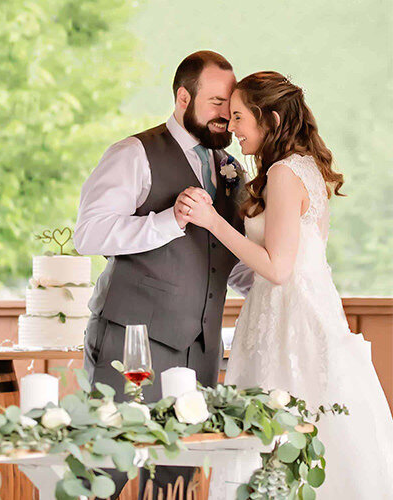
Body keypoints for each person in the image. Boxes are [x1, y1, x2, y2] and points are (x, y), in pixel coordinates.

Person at [178, 71, 393, 498]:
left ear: (270, 120)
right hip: (300, 309)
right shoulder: (302, 168)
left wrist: (211, 220)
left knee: (281, 432)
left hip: (290, 319)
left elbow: (278, 269)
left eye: (239, 117)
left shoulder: (283, 174)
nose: (232, 127)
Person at [74, 51, 253, 499]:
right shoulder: (133, 153)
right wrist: (168, 222)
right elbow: (89, 234)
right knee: (103, 472)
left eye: (230, 107)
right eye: (214, 103)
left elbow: (225, 260)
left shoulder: (231, 169)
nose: (224, 118)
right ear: (181, 97)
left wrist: (283, 281)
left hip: (203, 351)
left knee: (178, 480)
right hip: (131, 343)